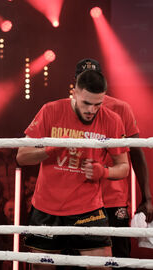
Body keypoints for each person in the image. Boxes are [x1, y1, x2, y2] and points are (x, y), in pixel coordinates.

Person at [16, 69, 130, 270]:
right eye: (86, 103)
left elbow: (123, 167)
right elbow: (22, 156)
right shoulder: (50, 111)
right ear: (74, 93)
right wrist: (52, 148)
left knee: (102, 267)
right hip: (46, 207)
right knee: (42, 268)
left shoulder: (112, 120)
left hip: (88, 209)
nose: (91, 110)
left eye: (97, 104)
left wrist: (103, 172)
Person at [74, 58, 153, 267]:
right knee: (76, 259)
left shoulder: (120, 108)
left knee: (117, 258)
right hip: (76, 199)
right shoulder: (63, 109)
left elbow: (136, 152)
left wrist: (147, 197)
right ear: (75, 84)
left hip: (112, 197)